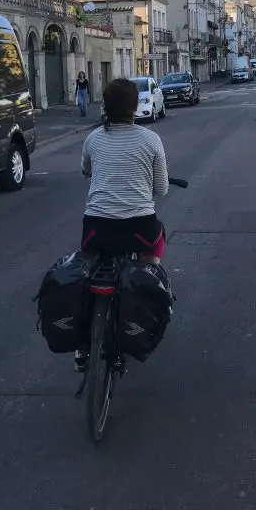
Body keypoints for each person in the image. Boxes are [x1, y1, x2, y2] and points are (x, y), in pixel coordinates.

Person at [77, 78, 169, 372]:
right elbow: (162, 189)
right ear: (134, 107)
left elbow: (85, 171)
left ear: (104, 106)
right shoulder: (151, 140)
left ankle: (82, 346)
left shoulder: (93, 139)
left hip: (97, 227)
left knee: (89, 272)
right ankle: (143, 305)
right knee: (152, 255)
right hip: (139, 228)